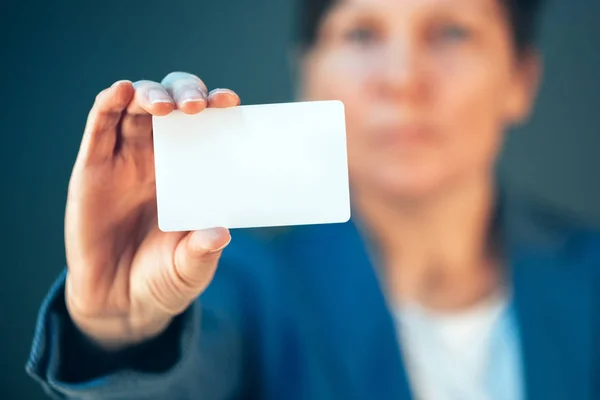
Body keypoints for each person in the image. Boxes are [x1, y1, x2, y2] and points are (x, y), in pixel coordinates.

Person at [26, 0, 600, 399]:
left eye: (452, 30)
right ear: (308, 73)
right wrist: (122, 330)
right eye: (360, 33)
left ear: (521, 78)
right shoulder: (233, 285)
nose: (401, 78)